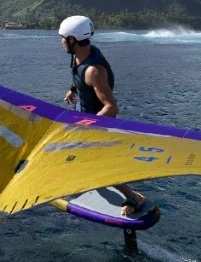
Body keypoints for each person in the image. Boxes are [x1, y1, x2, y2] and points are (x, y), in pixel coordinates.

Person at [58, 15, 147, 217]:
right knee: (76, 152)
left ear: (72, 40)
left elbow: (111, 107)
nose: (61, 41)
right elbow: (79, 75)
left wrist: (88, 126)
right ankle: (86, 177)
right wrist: (73, 89)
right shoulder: (81, 55)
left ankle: (133, 197)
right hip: (84, 117)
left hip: (97, 122)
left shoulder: (94, 71)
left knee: (101, 163)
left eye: (63, 38)